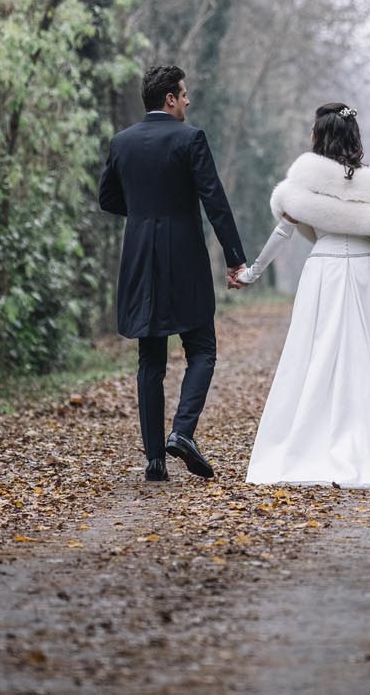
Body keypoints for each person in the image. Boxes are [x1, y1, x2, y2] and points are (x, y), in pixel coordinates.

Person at [239, 102, 370, 488]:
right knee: (369, 355)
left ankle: (307, 444)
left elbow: (283, 231)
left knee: (313, 353)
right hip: (366, 271)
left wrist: (252, 273)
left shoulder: (306, 177)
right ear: (354, 136)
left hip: (323, 270)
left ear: (318, 135)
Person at [97, 64, 248, 482]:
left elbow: (108, 197)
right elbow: (213, 200)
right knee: (202, 347)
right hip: (184, 256)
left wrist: (146, 212)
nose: (186, 101)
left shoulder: (122, 142)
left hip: (140, 257)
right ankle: (182, 432)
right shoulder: (190, 138)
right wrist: (235, 257)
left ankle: (154, 460)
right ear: (169, 99)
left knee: (151, 357)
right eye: (183, 95)